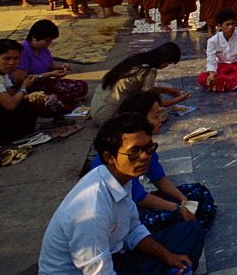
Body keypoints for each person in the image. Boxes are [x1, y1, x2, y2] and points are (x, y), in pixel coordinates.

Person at [38, 113, 204, 274]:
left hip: (114, 256)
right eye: (134, 152)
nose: (145, 156)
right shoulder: (91, 210)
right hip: (88, 270)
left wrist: (168, 256)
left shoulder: (124, 180)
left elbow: (133, 230)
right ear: (110, 157)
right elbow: (99, 271)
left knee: (192, 230)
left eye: (148, 148)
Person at [90, 92, 216, 232]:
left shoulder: (146, 147)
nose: (160, 120)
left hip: (133, 203)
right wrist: (179, 209)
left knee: (198, 193)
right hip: (123, 213)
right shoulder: (118, 154)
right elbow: (139, 197)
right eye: (155, 116)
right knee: (176, 220)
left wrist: (183, 201)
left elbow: (159, 179)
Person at [90, 43, 191, 127]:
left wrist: (164, 90)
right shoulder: (148, 71)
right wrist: (178, 100)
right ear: (163, 60)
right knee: (161, 114)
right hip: (107, 117)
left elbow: (136, 87)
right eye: (168, 64)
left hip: (96, 107)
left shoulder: (136, 60)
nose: (166, 66)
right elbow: (149, 103)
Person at [11, 19, 87, 117]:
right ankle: (66, 99)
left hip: (46, 84)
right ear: (34, 37)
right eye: (47, 40)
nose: (49, 43)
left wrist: (61, 68)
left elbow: (51, 67)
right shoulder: (23, 52)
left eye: (50, 40)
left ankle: (66, 98)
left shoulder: (43, 50)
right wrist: (49, 75)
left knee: (82, 86)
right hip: (30, 89)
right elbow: (21, 80)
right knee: (54, 102)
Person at [197, 9, 237, 91]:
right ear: (219, 26)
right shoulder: (212, 41)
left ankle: (220, 85)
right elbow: (211, 60)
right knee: (201, 78)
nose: (231, 27)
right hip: (221, 68)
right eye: (227, 25)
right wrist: (212, 76)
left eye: (233, 24)